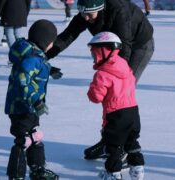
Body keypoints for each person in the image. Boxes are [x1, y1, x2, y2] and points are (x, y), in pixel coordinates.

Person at [44, 0, 153, 160]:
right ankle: (110, 141)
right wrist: (44, 54)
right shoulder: (86, 13)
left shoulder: (118, 10)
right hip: (115, 49)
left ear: (100, 9)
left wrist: (112, 71)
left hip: (138, 45)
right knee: (110, 100)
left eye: (89, 14)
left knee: (121, 96)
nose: (86, 18)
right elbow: (68, 35)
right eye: (83, 14)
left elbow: (125, 44)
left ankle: (122, 148)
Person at [4, 19, 59, 180]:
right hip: (22, 107)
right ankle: (16, 175)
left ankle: (37, 170)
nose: (52, 45)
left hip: (29, 108)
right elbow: (23, 79)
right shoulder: (32, 58)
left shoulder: (33, 55)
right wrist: (36, 100)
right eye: (51, 42)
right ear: (45, 42)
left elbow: (33, 69)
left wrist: (49, 69)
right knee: (24, 140)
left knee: (35, 136)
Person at [87, 32, 145, 180]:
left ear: (104, 51)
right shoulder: (125, 66)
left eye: (95, 53)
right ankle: (138, 169)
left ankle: (112, 174)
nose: (94, 57)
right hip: (133, 113)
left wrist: (93, 88)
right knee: (131, 142)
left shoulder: (102, 74)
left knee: (114, 146)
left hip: (116, 114)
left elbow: (95, 97)